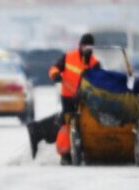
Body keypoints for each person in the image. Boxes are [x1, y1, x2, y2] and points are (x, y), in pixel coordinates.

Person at [27, 33, 100, 161]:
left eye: (89, 47)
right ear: (80, 46)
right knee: (68, 121)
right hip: (68, 97)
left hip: (86, 98)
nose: (87, 49)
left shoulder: (95, 63)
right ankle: (66, 153)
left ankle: (83, 147)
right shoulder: (68, 57)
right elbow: (53, 68)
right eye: (84, 46)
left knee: (85, 122)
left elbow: (100, 80)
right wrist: (56, 75)